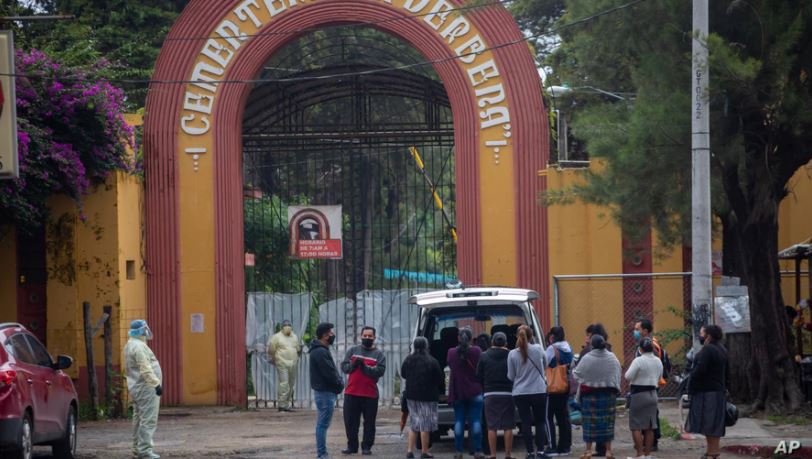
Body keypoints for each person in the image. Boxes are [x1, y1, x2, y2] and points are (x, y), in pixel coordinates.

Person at [573, 334, 621, 459]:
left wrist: (589, 380)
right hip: (608, 396)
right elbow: (617, 372)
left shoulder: (587, 358)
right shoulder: (612, 357)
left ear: (592, 345)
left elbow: (577, 374)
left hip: (590, 396)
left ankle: (588, 451)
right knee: (607, 423)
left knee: (589, 424)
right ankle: (608, 451)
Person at [340, 326, 386, 455]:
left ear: (374, 338)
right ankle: (352, 446)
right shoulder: (353, 351)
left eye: (369, 336)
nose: (367, 338)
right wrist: (353, 365)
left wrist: (365, 367)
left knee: (369, 424)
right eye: (364, 336)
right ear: (361, 336)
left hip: (370, 395)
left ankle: (367, 447)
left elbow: (380, 371)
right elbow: (344, 367)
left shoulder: (379, 355)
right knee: (350, 423)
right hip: (351, 393)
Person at [507, 325, 551, 459]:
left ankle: (530, 453)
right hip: (538, 390)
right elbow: (546, 364)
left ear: (516, 336)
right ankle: (541, 452)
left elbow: (511, 376)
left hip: (520, 393)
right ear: (532, 336)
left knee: (525, 422)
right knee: (540, 421)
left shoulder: (512, 354)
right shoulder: (538, 349)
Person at [687, 325, 728, 459]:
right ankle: (713, 451)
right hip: (718, 390)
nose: (700, 335)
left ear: (708, 336)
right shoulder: (721, 349)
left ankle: (712, 452)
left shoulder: (708, 349)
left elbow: (700, 370)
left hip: (707, 392)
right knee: (714, 424)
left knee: (709, 423)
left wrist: (691, 379)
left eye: (701, 333)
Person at [123, 319, 163, 459]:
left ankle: (137, 449)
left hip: (137, 387)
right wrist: (155, 384)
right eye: (145, 329)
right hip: (146, 388)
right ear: (141, 330)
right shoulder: (139, 347)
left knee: (138, 419)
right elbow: (145, 368)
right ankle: (145, 451)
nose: (147, 331)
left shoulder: (131, 344)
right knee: (148, 419)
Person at [401, 336, 444, 459]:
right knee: (425, 425)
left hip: (411, 396)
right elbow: (439, 379)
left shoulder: (408, 360)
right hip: (428, 397)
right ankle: (424, 452)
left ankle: (409, 451)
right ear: (426, 346)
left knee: (414, 424)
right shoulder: (432, 361)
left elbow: (403, 374)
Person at [476, 332, 516, 459]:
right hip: (507, 393)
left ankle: (493, 455)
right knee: (508, 426)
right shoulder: (511, 354)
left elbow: (478, 376)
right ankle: (508, 455)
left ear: (492, 342)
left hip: (490, 394)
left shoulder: (483, 356)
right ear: (505, 343)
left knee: (491, 426)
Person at [633, 319, 671, 451]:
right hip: (648, 384)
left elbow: (652, 363)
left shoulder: (651, 346)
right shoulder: (644, 344)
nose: (635, 332)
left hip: (649, 385)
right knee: (649, 412)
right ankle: (649, 440)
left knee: (650, 413)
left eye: (637, 329)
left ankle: (652, 441)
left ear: (645, 331)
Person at [448, 327, 485, 459]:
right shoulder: (477, 351)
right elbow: (481, 368)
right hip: (475, 391)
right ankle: (477, 451)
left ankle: (459, 451)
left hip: (458, 392)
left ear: (458, 338)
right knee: (475, 421)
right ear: (471, 338)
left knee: (459, 421)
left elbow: (451, 366)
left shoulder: (451, 352)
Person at [309, 322, 344, 459]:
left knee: (322, 424)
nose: (332, 335)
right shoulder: (320, 352)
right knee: (322, 424)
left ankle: (322, 453)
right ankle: (322, 454)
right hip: (325, 393)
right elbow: (329, 373)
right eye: (330, 333)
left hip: (325, 392)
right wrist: (340, 384)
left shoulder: (320, 350)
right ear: (324, 335)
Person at [625, 338, 663, 459]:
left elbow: (628, 376)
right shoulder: (658, 361)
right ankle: (648, 454)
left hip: (639, 394)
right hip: (653, 394)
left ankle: (639, 454)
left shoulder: (638, 360)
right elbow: (660, 377)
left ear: (640, 349)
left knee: (636, 425)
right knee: (650, 426)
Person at [578, 323, 611, 457]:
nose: (586, 337)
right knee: (604, 418)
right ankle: (604, 448)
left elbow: (578, 371)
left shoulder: (587, 352)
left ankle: (589, 450)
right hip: (606, 388)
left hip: (589, 389)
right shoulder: (609, 350)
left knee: (590, 420)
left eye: (588, 335)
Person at [546, 326, 574, 457]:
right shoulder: (568, 347)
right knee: (564, 416)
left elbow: (543, 363)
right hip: (565, 384)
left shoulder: (552, 349)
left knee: (549, 416)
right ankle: (566, 446)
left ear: (552, 336)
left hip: (554, 386)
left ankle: (553, 448)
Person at [268, 319, 302, 412]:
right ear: (282, 327)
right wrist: (276, 359)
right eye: (286, 325)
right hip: (282, 363)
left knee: (291, 384)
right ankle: (282, 405)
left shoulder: (294, 337)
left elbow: (298, 348)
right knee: (284, 383)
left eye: (289, 325)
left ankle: (286, 404)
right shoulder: (276, 337)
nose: (288, 327)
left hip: (293, 363)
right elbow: (271, 350)